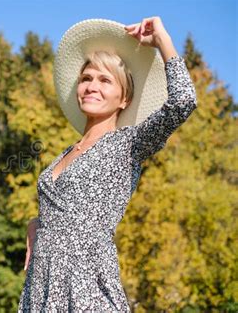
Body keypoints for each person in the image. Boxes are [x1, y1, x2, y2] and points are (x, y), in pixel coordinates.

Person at [18, 17, 198, 312]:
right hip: (41, 290)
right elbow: (63, 207)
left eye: (105, 80)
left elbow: (183, 102)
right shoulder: (64, 155)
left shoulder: (128, 144)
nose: (91, 86)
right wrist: (36, 223)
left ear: (124, 98)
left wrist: (162, 40)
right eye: (86, 78)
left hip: (88, 289)